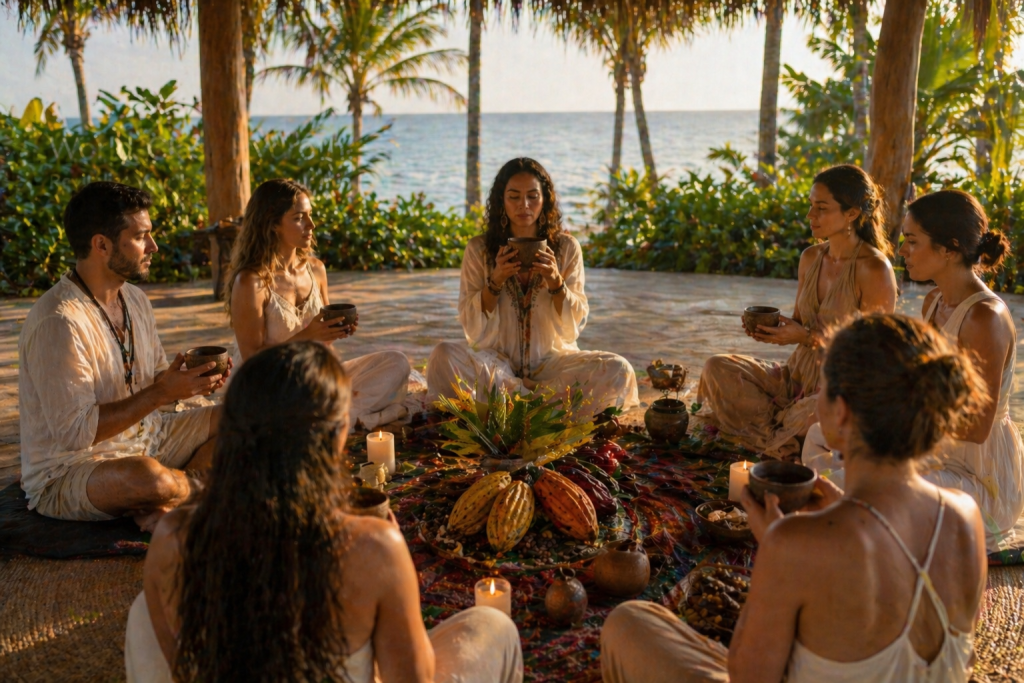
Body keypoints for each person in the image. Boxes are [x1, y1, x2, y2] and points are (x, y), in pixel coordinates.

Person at [602, 314, 987, 683]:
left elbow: (748, 678)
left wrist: (774, 547)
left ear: (842, 412)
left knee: (628, 622)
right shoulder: (964, 515)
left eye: (822, 388)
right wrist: (840, 511)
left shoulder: (795, 544)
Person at [125, 342, 524, 683]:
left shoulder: (172, 536)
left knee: (145, 608)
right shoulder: (374, 547)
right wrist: (395, 562)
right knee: (495, 628)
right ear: (335, 437)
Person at [18, 182, 226, 532]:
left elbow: (155, 381)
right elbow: (75, 434)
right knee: (145, 478)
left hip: (152, 438)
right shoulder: (59, 321)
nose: (153, 246)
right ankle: (197, 487)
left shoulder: (135, 299)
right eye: (141, 236)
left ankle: (172, 494)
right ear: (101, 245)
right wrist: (161, 393)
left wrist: (185, 383)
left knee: (242, 415)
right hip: (73, 470)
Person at [697, 165, 897, 459]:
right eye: (810, 205)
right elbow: (801, 322)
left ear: (852, 213)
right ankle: (782, 438)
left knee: (819, 411)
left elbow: (872, 354)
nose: (810, 215)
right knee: (717, 367)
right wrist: (772, 330)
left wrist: (805, 337)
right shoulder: (811, 257)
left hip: (841, 386)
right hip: (796, 376)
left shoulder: (874, 269)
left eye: (821, 208)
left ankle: (771, 436)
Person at [427, 158, 638, 414]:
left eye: (532, 196)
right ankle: (537, 401)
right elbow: (471, 326)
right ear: (502, 201)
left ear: (544, 200)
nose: (524, 205)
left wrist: (556, 281)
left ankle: (513, 401)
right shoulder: (479, 250)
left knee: (618, 369)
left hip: (552, 364)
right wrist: (496, 280)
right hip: (496, 364)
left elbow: (572, 327)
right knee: (443, 357)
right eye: (514, 197)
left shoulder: (567, 248)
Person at [227, 179, 411, 430]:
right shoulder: (251, 282)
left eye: (310, 215)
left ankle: (326, 420)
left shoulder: (316, 270)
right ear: (272, 224)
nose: (311, 225)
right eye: (299, 218)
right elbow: (252, 361)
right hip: (269, 387)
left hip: (312, 378)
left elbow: (322, 341)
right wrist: (308, 335)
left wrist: (334, 331)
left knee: (396, 363)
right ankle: (349, 418)